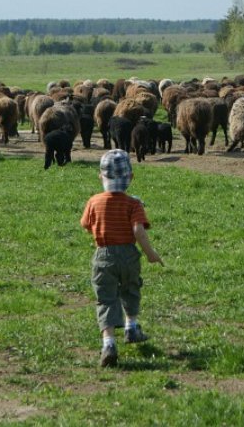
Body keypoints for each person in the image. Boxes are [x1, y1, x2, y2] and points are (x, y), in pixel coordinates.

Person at [80, 149, 164, 368]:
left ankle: (108, 343)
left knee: (106, 297)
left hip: (103, 254)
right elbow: (138, 230)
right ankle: (132, 328)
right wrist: (150, 253)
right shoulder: (133, 204)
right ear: (131, 177)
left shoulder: (94, 201)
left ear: (101, 177)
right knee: (131, 288)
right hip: (128, 254)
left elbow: (87, 226)